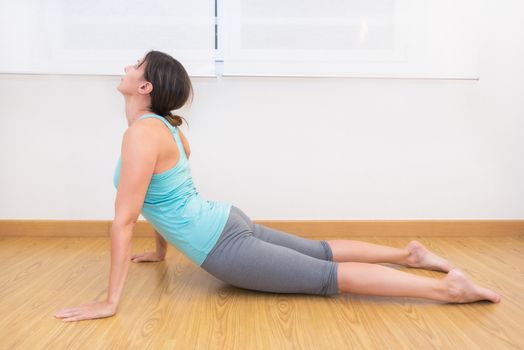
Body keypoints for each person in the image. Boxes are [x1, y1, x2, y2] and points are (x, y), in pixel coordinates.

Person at [54, 50, 501, 322]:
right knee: (319, 250)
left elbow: (125, 218)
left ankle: (448, 289)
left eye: (134, 65)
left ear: (145, 85)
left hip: (225, 247)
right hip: (227, 221)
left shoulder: (139, 134)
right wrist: (160, 250)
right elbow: (166, 195)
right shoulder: (166, 129)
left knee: (328, 276)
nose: (125, 67)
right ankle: (409, 255)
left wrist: (111, 300)